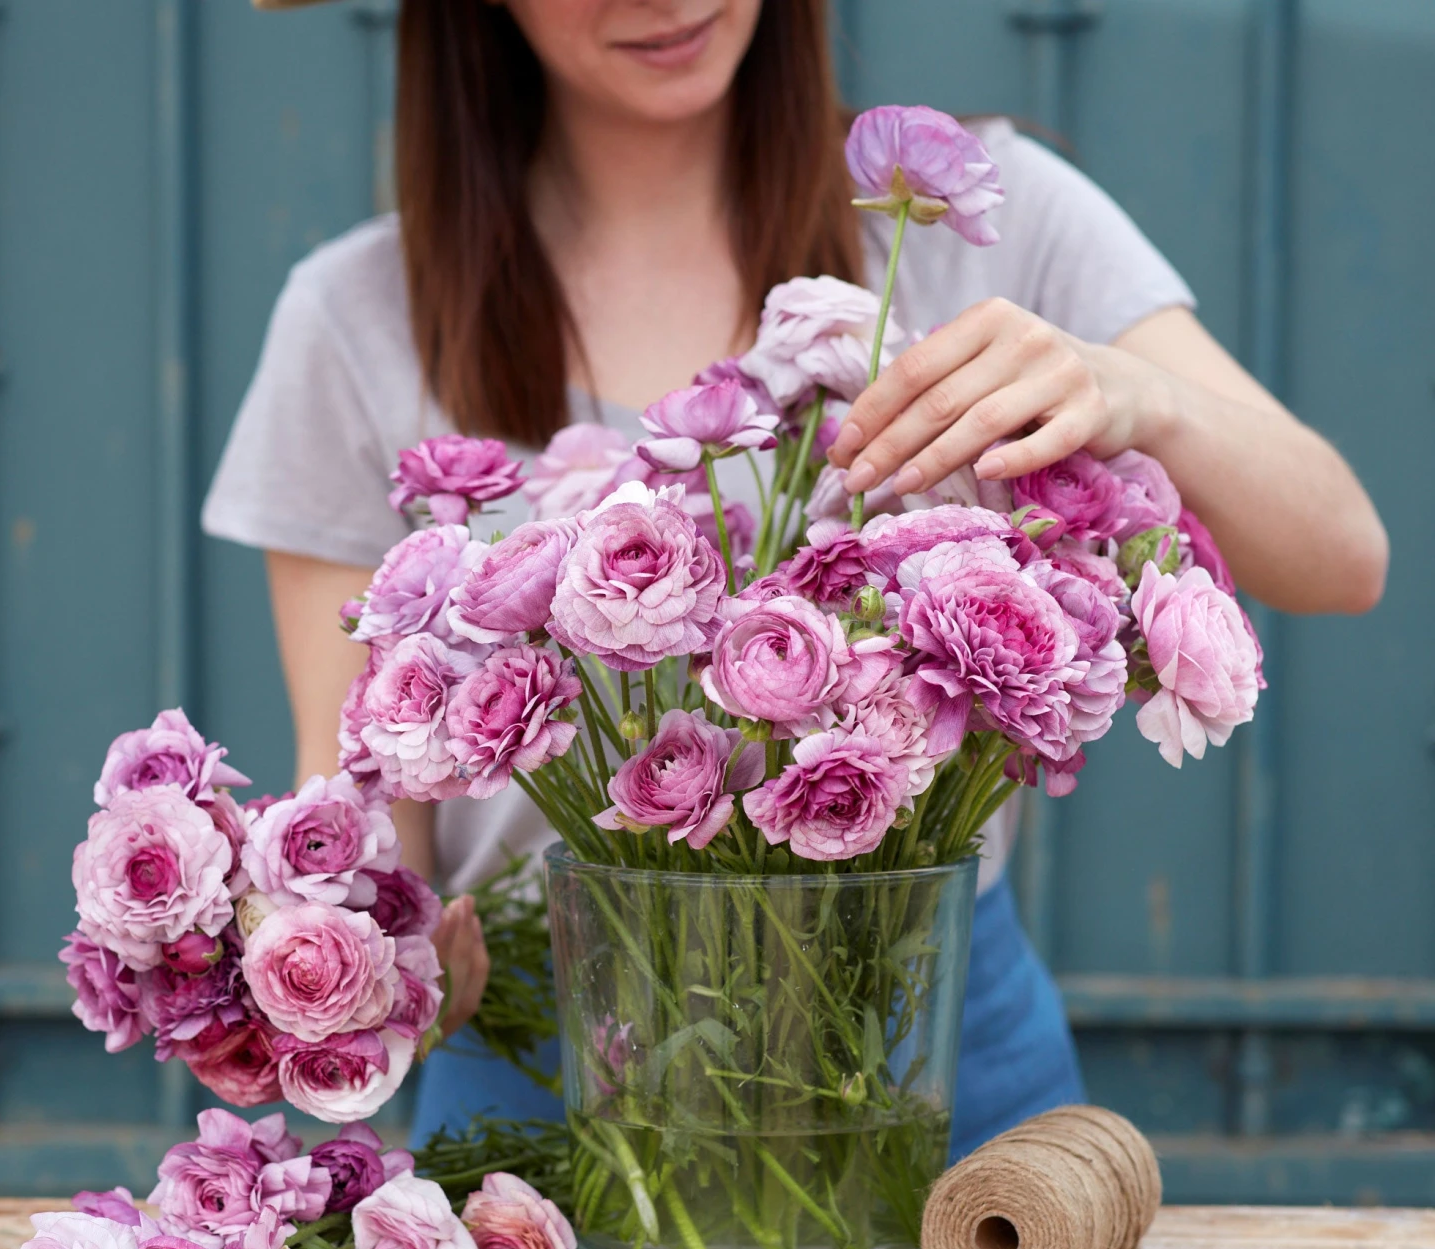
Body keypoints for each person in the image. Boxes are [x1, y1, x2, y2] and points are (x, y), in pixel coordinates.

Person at [204, 0, 1387, 1158]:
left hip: (936, 1053)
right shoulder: (355, 317)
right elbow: (359, 782)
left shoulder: (976, 216)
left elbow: (1343, 551)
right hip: (545, 1082)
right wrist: (360, 971)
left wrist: (1140, 397)